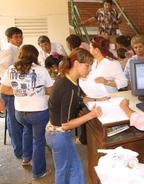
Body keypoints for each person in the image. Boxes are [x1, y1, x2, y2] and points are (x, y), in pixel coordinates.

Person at [45, 48, 103, 184]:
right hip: (59, 135)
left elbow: (80, 97)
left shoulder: (68, 77)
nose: (89, 70)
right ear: (77, 64)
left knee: (75, 167)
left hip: (56, 133)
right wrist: (91, 115)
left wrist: (96, 100)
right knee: (63, 171)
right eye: (87, 66)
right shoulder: (68, 88)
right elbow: (66, 124)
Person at [1, 44, 53, 179]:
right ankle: (38, 171)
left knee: (27, 131)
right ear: (35, 56)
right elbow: (49, 91)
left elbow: (3, 89)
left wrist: (19, 92)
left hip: (20, 111)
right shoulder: (41, 70)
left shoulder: (11, 69)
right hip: (38, 111)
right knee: (39, 140)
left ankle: (26, 157)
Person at [77, 36, 128, 144]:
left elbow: (124, 82)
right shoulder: (93, 62)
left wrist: (106, 82)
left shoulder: (112, 64)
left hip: (107, 100)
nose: (89, 50)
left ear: (96, 50)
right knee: (93, 130)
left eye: (90, 48)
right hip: (92, 100)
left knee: (104, 133)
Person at [0, 27, 24, 157]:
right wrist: (12, 80)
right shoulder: (8, 50)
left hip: (14, 88)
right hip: (9, 89)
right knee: (13, 120)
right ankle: (19, 149)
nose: (19, 39)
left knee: (16, 118)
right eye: (16, 37)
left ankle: (20, 147)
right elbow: (1, 67)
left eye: (20, 36)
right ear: (9, 38)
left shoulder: (17, 49)